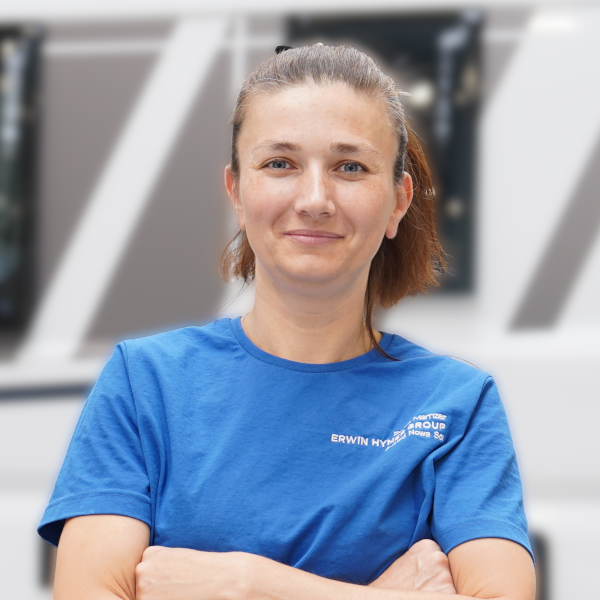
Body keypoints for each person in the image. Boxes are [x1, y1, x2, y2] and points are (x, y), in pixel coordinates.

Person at [38, 44, 535, 600]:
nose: (315, 198)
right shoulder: (144, 383)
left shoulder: (457, 404)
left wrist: (246, 584)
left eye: (350, 167)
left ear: (398, 201)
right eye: (280, 164)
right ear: (236, 191)